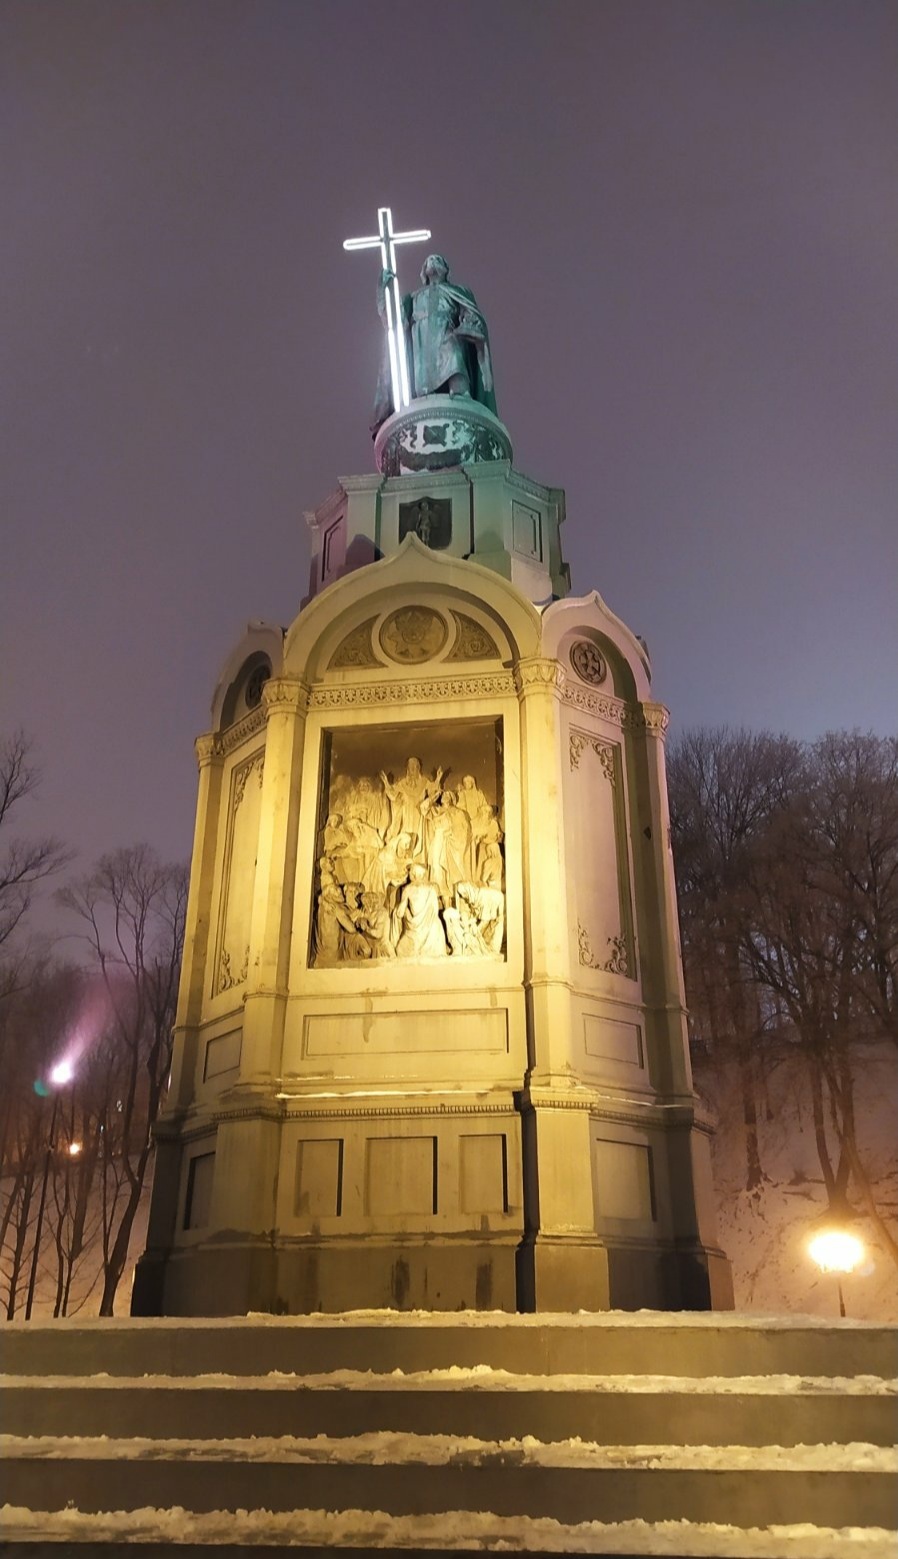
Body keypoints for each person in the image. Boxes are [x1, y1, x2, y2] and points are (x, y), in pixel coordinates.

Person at [372, 254, 496, 431]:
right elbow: (394, 321)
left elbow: (470, 313)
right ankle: (424, 400)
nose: (433, 261)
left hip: (448, 331)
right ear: (424, 271)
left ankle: (461, 393)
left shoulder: (458, 291)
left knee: (453, 357)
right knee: (421, 375)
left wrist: (469, 325)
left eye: (438, 259)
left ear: (446, 270)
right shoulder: (413, 297)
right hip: (420, 341)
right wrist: (383, 293)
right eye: (429, 260)